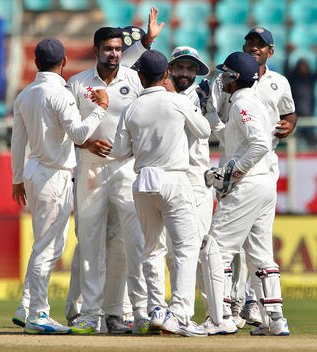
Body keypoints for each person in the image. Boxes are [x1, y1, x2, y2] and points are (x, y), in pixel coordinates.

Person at [64, 12, 164, 334]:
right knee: (90, 241)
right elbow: (64, 129)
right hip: (90, 168)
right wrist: (87, 143)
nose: (114, 54)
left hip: (125, 167)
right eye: (108, 48)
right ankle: (90, 314)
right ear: (96, 50)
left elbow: (148, 119)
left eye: (119, 49)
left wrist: (148, 40)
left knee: (133, 240)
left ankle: (137, 312)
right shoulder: (77, 83)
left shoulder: (134, 81)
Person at [11, 38, 109, 334]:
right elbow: (79, 134)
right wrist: (100, 109)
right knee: (49, 248)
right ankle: (38, 314)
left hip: (34, 172)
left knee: (44, 244)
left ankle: (27, 305)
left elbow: (17, 141)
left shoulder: (25, 94)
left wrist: (17, 178)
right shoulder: (60, 94)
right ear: (64, 62)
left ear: (36, 62)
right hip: (54, 175)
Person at [204, 27, 296, 332]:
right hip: (262, 184)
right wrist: (211, 115)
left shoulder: (243, 103)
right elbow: (231, 137)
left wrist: (234, 171)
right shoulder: (247, 101)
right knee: (260, 254)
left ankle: (221, 317)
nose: (223, 79)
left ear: (235, 78)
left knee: (216, 249)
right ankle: (276, 320)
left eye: (226, 75)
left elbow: (258, 144)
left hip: (248, 183)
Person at [113, 49, 210, 337]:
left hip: (143, 181)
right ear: (165, 74)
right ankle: (179, 314)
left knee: (152, 248)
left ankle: (155, 308)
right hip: (174, 179)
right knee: (185, 247)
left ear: (141, 76)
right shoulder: (177, 101)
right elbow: (204, 131)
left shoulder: (131, 108)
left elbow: (119, 151)